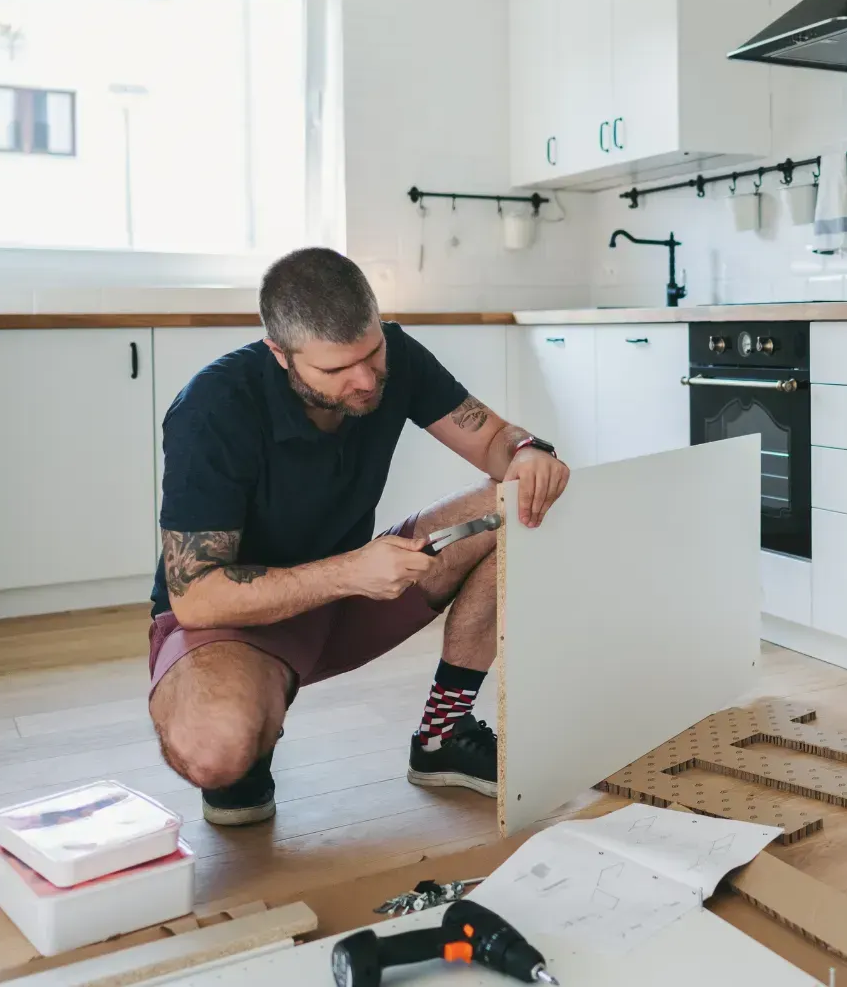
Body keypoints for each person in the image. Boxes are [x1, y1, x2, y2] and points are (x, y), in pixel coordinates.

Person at [146, 247, 570, 825]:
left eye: (372, 353)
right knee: (218, 752)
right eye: (337, 369)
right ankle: (252, 733)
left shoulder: (398, 356)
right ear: (280, 354)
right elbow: (197, 598)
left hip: (353, 595)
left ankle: (442, 736)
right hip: (235, 621)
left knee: (517, 502)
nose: (366, 380)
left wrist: (527, 452)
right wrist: (350, 571)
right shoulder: (213, 409)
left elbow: (494, 439)